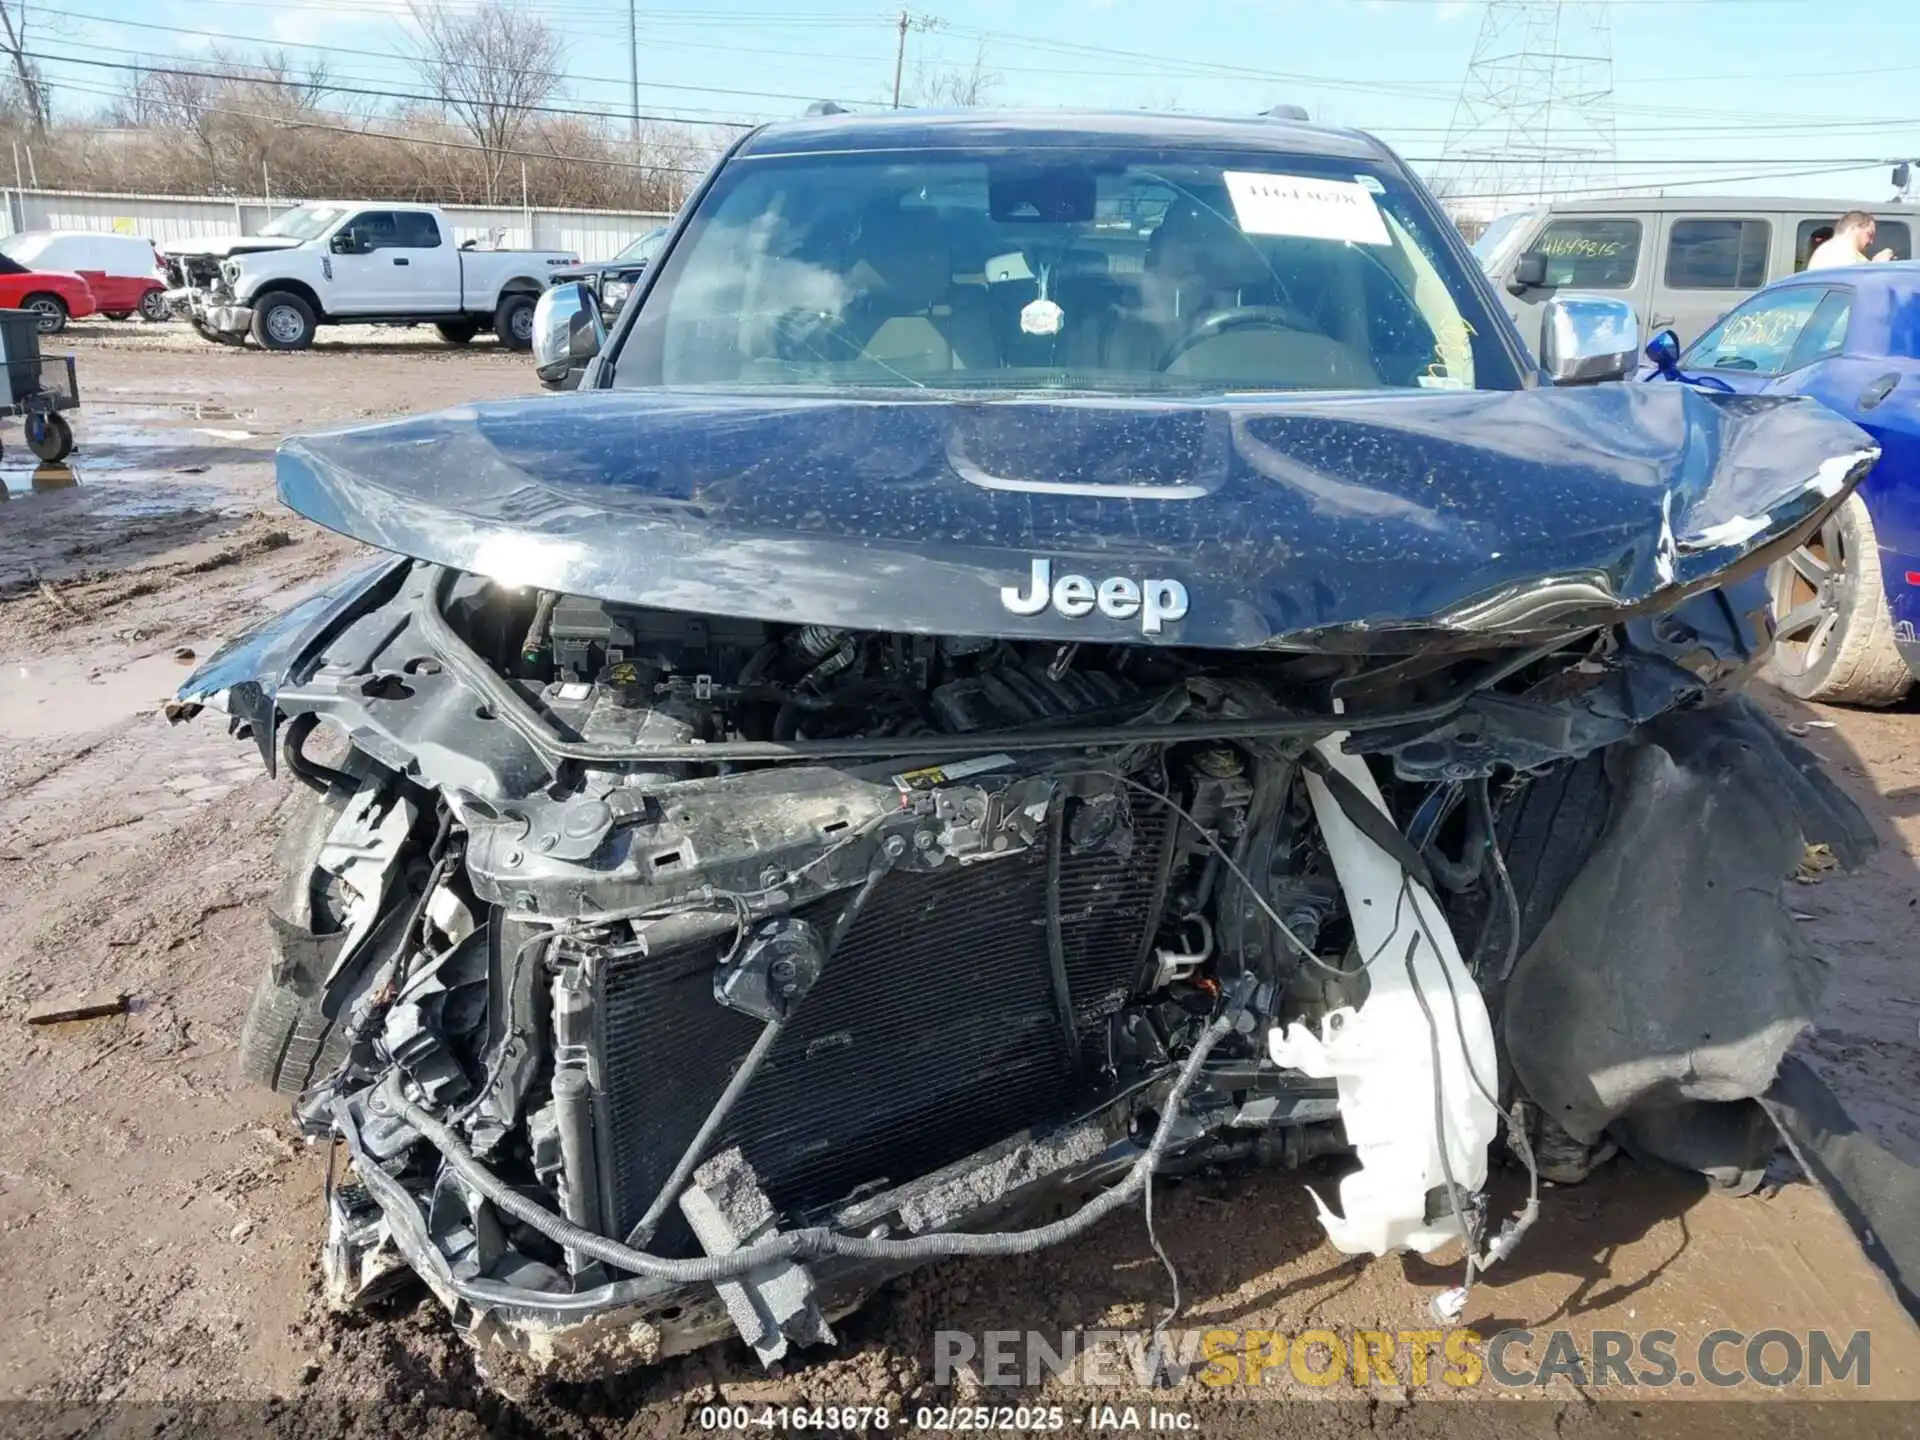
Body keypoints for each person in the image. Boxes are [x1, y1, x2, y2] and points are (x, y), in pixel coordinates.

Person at [1806, 211, 1894, 269]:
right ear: (1854, 228)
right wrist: (1877, 265)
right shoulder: (1840, 252)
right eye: (1869, 234)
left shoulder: (1827, 249)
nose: (1871, 242)